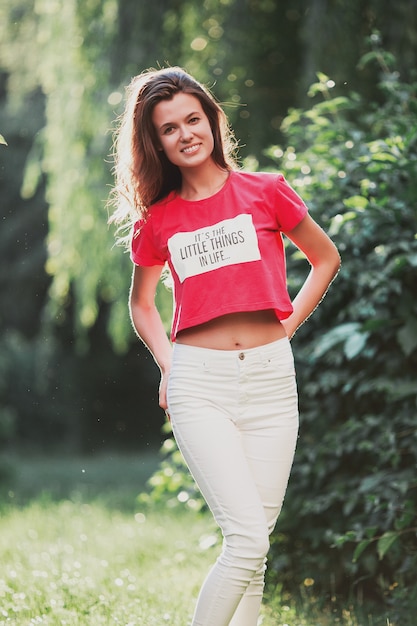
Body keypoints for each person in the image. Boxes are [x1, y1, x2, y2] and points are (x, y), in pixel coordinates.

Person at [109, 66, 340, 626]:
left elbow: (325, 258)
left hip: (270, 380)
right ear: (155, 142)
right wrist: (169, 365)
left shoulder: (266, 191)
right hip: (200, 383)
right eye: (169, 128)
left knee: (255, 549)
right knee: (246, 541)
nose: (186, 134)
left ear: (212, 121)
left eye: (194, 119)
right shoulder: (156, 221)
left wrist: (284, 330)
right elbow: (142, 306)